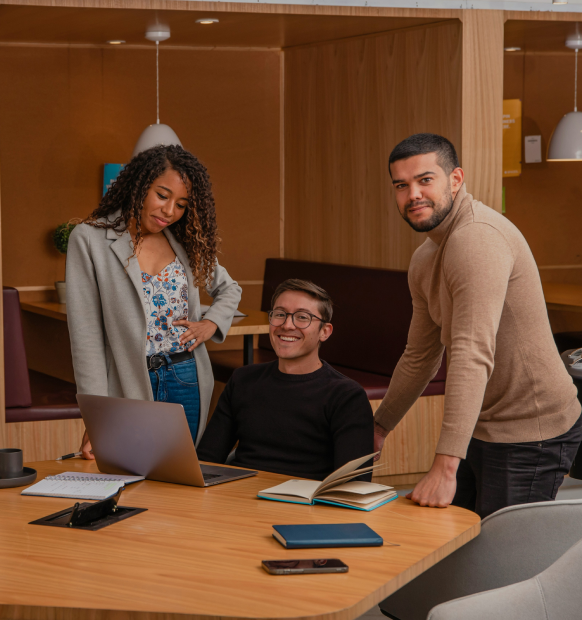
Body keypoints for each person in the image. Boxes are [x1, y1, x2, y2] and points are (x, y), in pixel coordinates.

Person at [374, 133, 582, 518]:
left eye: (425, 180)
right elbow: (420, 356)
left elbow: (471, 353)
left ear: (455, 180)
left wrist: (444, 464)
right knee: (458, 549)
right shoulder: (425, 257)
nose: (413, 194)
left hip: (529, 431)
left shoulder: (477, 239)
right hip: (481, 425)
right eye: (401, 185)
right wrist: (380, 426)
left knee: (503, 560)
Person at [66, 144, 242, 456]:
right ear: (139, 186)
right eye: (162, 195)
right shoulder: (89, 239)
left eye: (181, 204)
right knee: (135, 477)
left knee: (181, 479)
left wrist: (210, 323)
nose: (170, 211)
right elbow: (86, 338)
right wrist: (95, 418)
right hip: (127, 380)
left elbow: (230, 289)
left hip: (186, 377)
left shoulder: (186, 242)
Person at [197, 279, 374, 479]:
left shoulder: (347, 397)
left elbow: (354, 485)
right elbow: (207, 461)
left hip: (306, 505)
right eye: (280, 314)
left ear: (324, 332)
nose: (287, 325)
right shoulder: (243, 380)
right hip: (238, 499)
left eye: (302, 317)